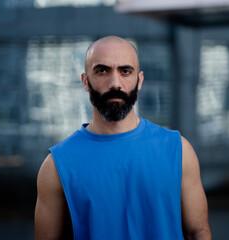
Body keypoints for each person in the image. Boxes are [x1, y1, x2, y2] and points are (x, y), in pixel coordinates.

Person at [34, 36, 211, 240]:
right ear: (85, 81)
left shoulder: (178, 150)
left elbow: (198, 232)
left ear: (139, 80)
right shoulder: (56, 165)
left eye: (125, 71)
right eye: (102, 70)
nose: (115, 83)